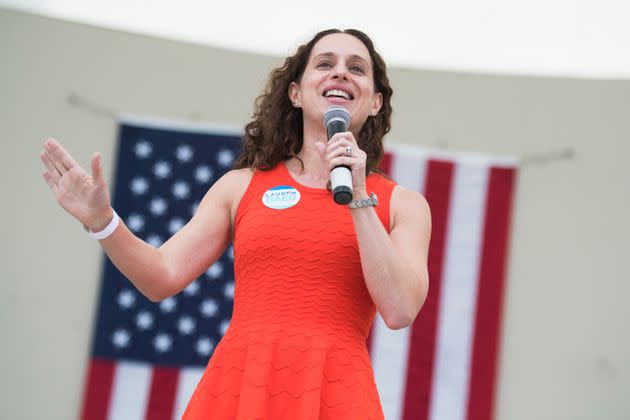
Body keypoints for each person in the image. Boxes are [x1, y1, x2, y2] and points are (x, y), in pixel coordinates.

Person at [40, 28, 431, 419]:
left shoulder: (404, 206)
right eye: (325, 63)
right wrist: (103, 222)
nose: (341, 73)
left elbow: (399, 310)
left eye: (357, 68)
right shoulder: (240, 187)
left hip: (336, 392)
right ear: (295, 92)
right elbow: (160, 276)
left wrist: (358, 194)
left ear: (376, 102)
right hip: (240, 387)